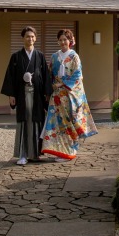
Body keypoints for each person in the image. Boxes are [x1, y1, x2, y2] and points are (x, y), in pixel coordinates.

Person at [40, 29, 97, 161]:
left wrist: (62, 84)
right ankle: (59, 150)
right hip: (57, 95)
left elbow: (78, 76)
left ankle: (70, 150)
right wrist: (50, 88)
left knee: (69, 122)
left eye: (65, 39)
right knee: (56, 123)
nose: (62, 42)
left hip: (69, 95)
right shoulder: (54, 56)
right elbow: (49, 75)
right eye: (60, 40)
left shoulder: (74, 56)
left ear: (70, 41)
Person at [0, 26, 52, 165]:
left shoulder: (40, 56)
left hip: (37, 94)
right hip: (22, 94)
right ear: (23, 38)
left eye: (32, 36)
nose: (30, 38)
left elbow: (46, 75)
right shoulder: (16, 57)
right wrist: (11, 94)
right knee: (24, 122)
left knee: (36, 122)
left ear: (35, 38)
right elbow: (10, 76)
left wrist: (47, 93)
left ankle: (35, 154)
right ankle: (22, 154)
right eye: (27, 36)